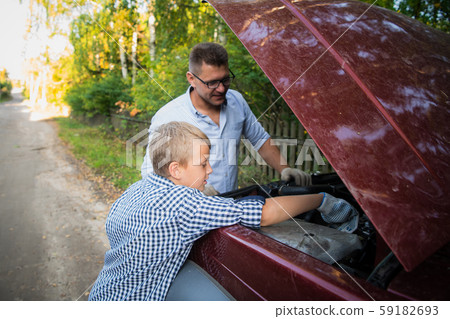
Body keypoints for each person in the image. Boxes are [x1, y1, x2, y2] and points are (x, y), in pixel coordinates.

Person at [89, 121, 358, 301]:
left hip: (102, 295)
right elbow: (266, 213)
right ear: (176, 170)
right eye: (203, 164)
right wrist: (321, 199)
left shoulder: (134, 191)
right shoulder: (186, 205)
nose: (210, 170)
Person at [141, 42, 311, 195]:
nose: (222, 89)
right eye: (212, 83)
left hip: (230, 204)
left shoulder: (237, 102)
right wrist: (191, 192)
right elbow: (150, 173)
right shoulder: (169, 115)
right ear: (191, 79)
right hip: (190, 212)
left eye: (225, 79)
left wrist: (285, 169)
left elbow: (260, 140)